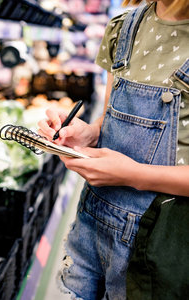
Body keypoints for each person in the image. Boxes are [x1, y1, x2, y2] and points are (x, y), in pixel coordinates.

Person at [37, 0, 189, 298]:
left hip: (158, 243)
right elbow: (108, 119)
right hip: (91, 227)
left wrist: (134, 175)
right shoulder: (124, 27)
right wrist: (87, 134)